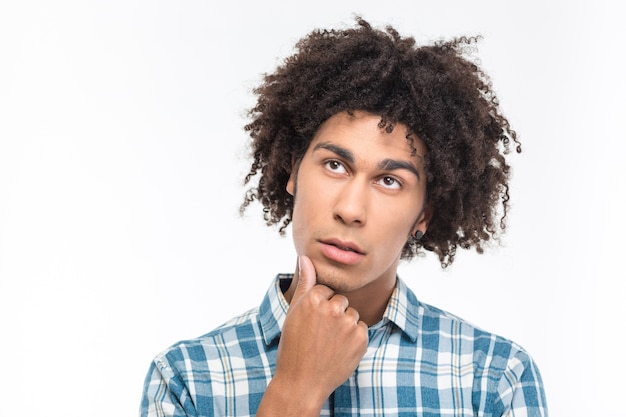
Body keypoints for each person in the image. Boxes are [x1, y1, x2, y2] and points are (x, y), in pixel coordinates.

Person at [140, 17, 548, 417]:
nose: (350, 209)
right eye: (335, 165)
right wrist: (295, 389)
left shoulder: (493, 379)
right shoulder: (186, 381)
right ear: (294, 171)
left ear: (424, 213)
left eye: (389, 180)